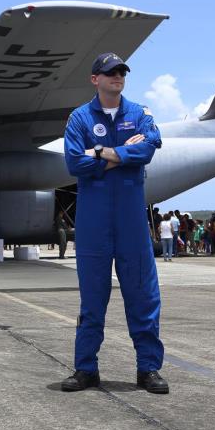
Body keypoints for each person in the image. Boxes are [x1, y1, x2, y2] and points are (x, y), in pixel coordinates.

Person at [60, 52, 167, 394]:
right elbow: (74, 163)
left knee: (143, 295)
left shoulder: (140, 114)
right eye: (110, 73)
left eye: (121, 72)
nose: (117, 76)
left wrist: (100, 152)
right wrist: (123, 154)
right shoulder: (79, 117)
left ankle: (148, 369)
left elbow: (148, 149)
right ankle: (85, 368)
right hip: (94, 220)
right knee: (92, 299)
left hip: (130, 219)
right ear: (95, 79)